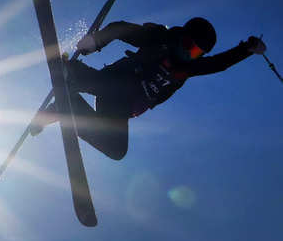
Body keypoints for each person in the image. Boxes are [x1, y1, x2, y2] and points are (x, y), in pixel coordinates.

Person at [29, 17, 267, 160]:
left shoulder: (188, 68)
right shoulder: (158, 38)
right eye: (187, 45)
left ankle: (66, 108)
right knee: (112, 87)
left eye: (195, 52)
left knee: (116, 151)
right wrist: (95, 41)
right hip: (116, 83)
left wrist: (247, 49)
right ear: (180, 35)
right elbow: (121, 29)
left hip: (123, 108)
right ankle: (74, 72)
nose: (187, 53)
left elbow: (220, 63)